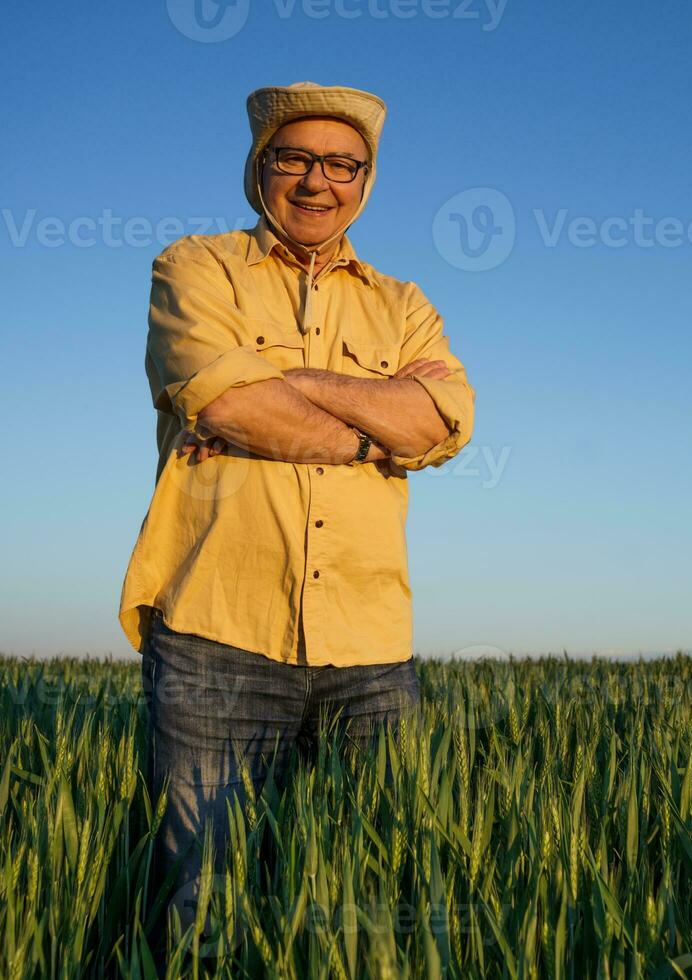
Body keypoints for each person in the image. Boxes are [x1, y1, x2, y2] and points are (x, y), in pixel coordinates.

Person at [116, 80, 476, 947]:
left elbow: (446, 420)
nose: (319, 182)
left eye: (344, 165)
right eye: (296, 159)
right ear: (259, 167)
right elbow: (226, 400)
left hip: (371, 645)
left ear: (367, 178)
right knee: (206, 899)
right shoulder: (193, 266)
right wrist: (369, 428)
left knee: (372, 893)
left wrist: (298, 381)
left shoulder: (404, 303)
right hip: (217, 632)